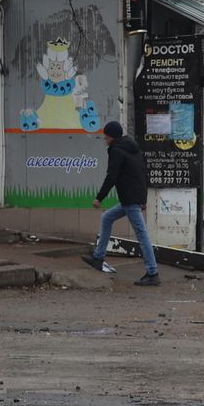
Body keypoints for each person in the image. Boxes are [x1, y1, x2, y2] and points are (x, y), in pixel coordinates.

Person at [82, 121, 160, 287]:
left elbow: (112, 176)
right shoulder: (134, 148)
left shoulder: (117, 151)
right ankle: (98, 257)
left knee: (142, 234)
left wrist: (99, 198)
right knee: (107, 218)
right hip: (131, 198)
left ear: (112, 137)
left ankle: (153, 272)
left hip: (130, 199)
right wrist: (143, 199)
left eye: (106, 136)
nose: (104, 139)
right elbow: (143, 174)